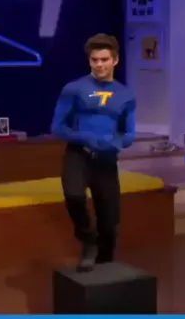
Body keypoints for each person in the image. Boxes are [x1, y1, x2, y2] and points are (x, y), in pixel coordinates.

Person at [51, 34, 136, 272]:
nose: (99, 64)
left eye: (104, 59)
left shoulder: (126, 95)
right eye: (94, 60)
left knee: (109, 223)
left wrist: (115, 143)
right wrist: (84, 137)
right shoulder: (73, 89)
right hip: (78, 154)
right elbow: (57, 127)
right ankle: (88, 239)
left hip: (106, 160)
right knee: (74, 196)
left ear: (115, 60)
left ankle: (104, 267)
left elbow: (129, 133)